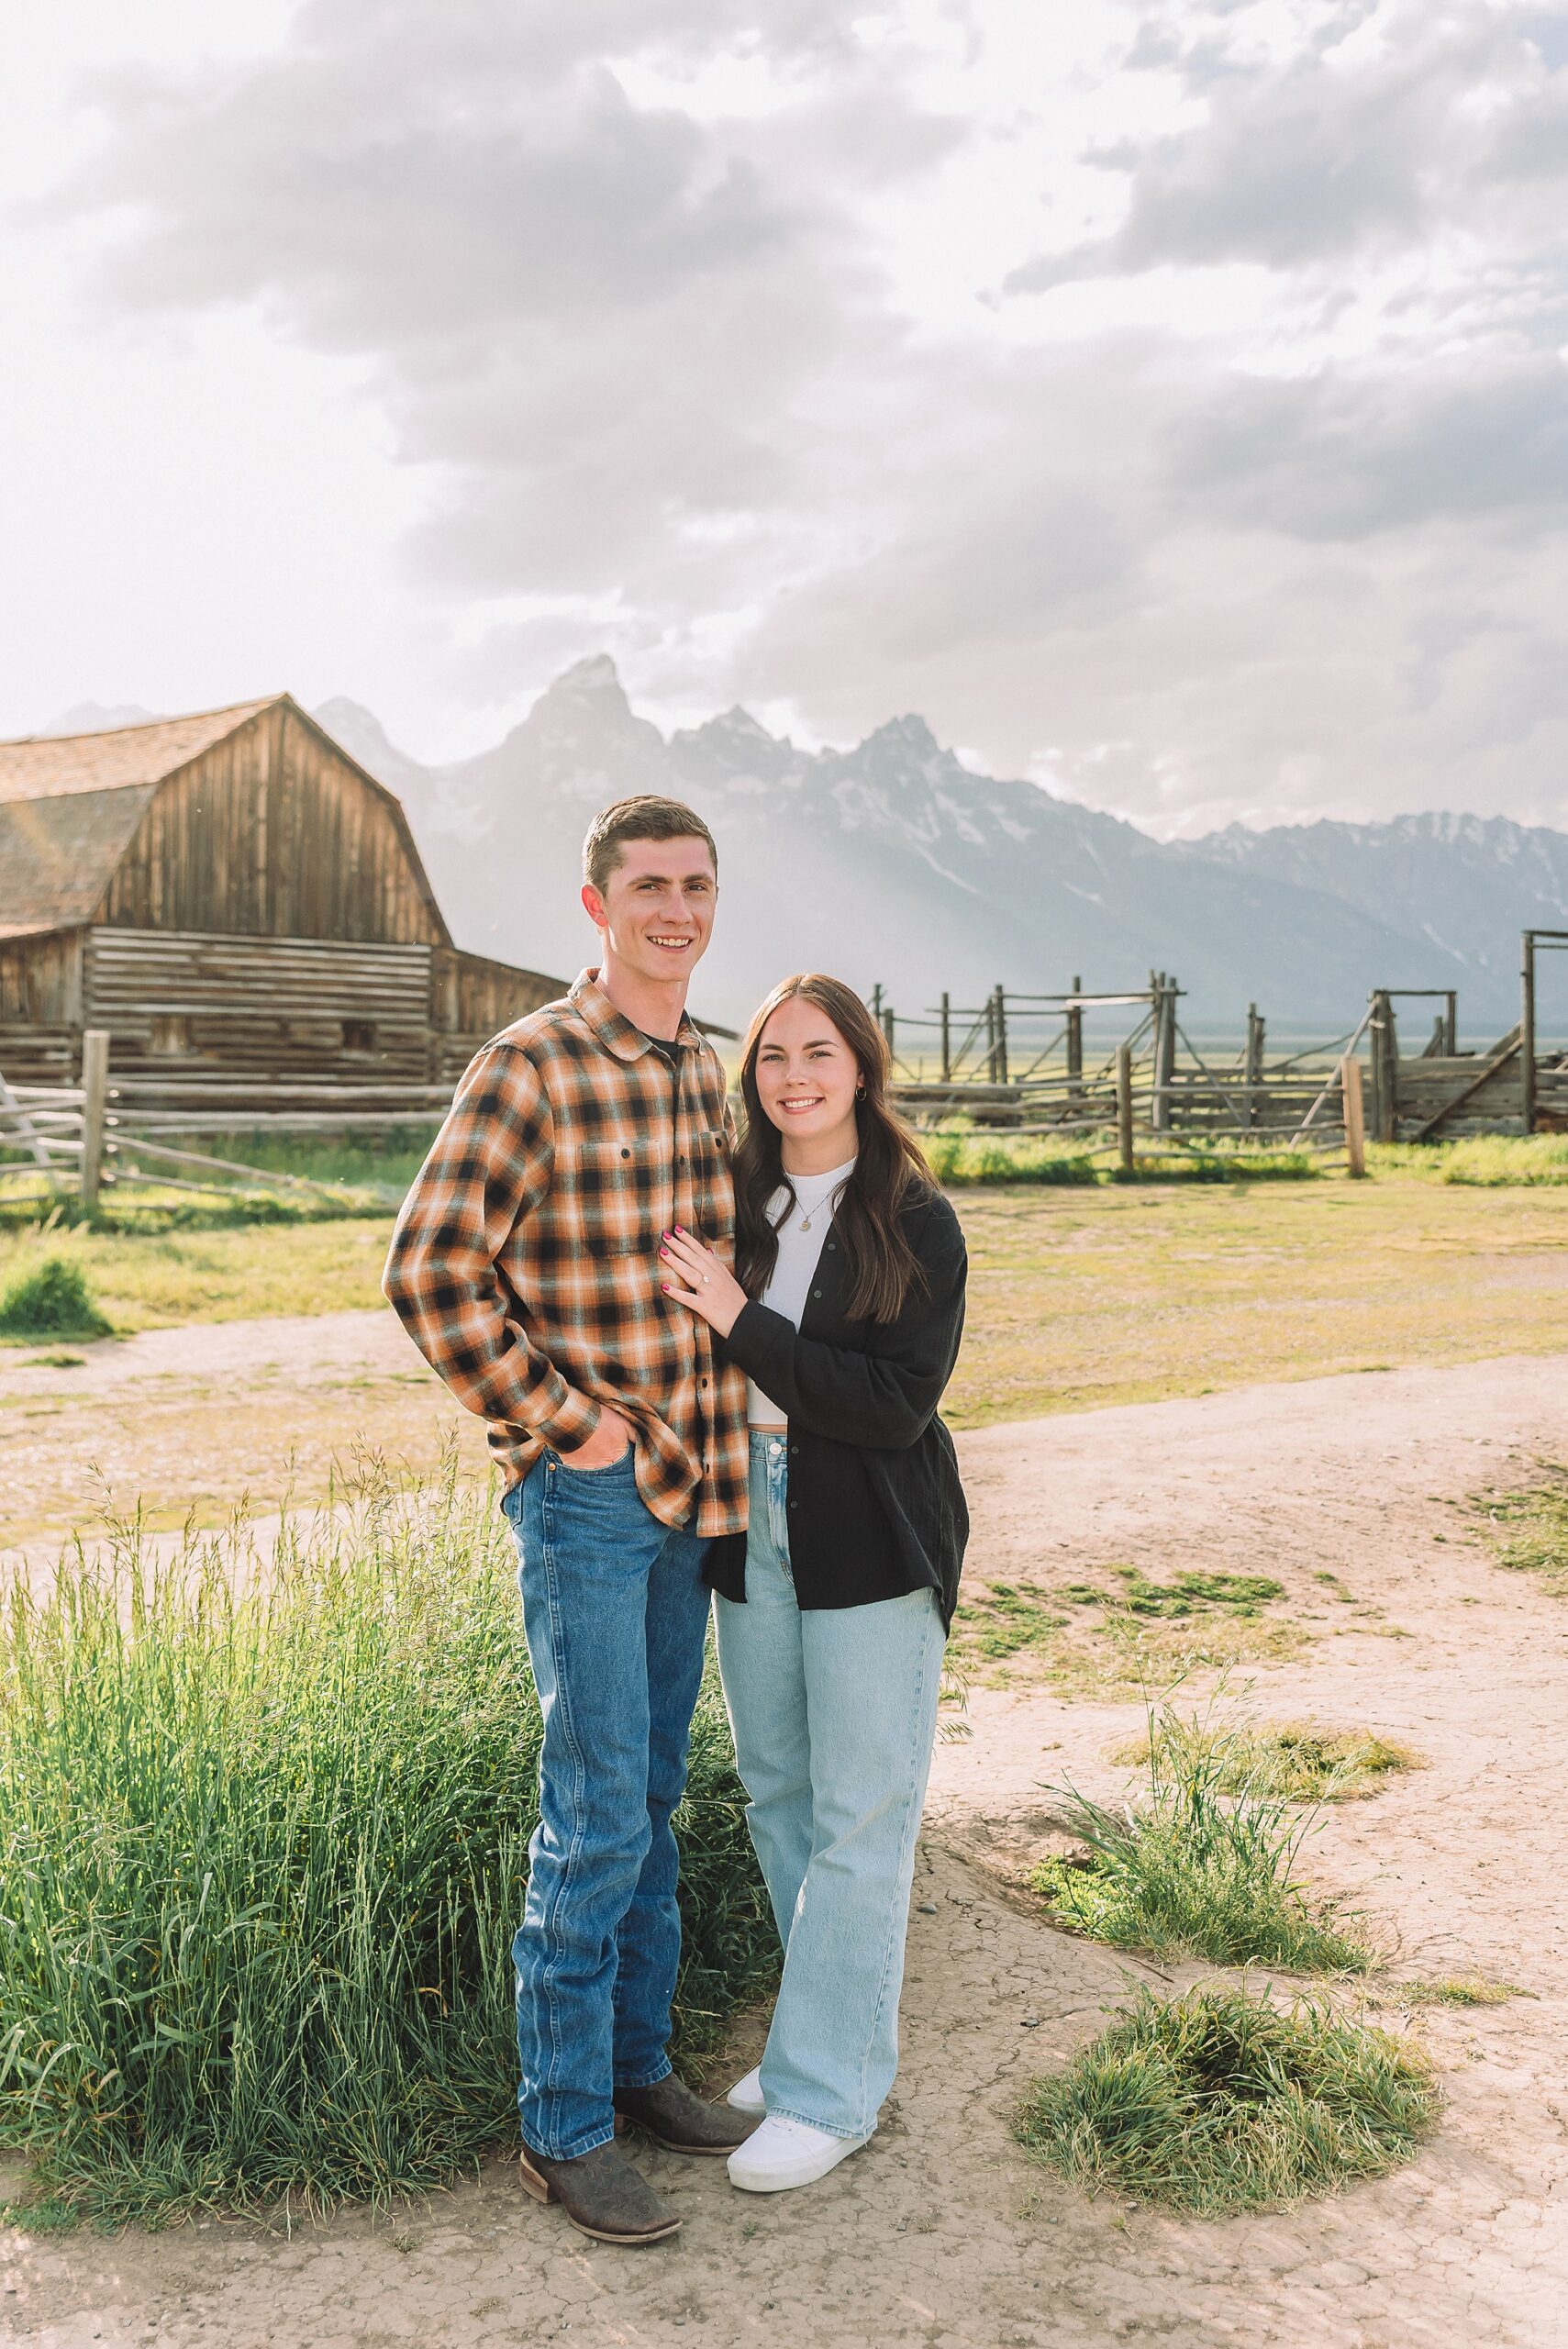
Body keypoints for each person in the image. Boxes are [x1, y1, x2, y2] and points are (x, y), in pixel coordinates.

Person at [383, 796, 755, 2248]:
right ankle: (559, 2127)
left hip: (689, 1490)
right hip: (590, 1493)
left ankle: (638, 2065)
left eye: (696, 886)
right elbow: (427, 1270)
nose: (676, 908)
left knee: (655, 1795)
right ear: (596, 906)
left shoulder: (703, 1067)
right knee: (594, 1809)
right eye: (649, 886)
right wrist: (568, 1422)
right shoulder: (531, 1063)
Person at [658, 972, 969, 2195]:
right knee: (777, 1788)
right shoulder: (743, 1198)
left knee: (858, 1810)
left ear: (860, 1067)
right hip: (747, 1514)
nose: (793, 1075)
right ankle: (815, 2033)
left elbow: (891, 1408)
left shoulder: (913, 1218)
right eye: (772, 1056)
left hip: (868, 1531)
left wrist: (741, 1320)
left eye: (817, 1053)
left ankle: (832, 2091)